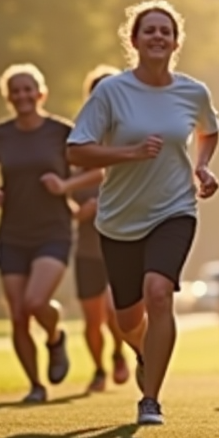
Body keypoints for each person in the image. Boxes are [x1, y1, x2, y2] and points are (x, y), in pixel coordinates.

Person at [67, 0, 219, 426]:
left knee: (159, 293)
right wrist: (127, 153)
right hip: (119, 219)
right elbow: (76, 149)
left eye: (164, 31)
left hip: (174, 209)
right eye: (148, 31)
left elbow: (210, 130)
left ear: (175, 42)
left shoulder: (193, 92)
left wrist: (202, 166)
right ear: (134, 41)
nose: (157, 37)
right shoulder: (111, 92)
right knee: (127, 319)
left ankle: (150, 397)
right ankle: (141, 351)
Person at [0, 63, 74, 403]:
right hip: (13, 232)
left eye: (28, 89)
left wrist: (66, 185)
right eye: (16, 91)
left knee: (35, 302)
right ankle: (35, 385)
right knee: (17, 316)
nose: (23, 95)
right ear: (9, 98)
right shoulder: (0, 135)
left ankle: (55, 337)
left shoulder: (61, 132)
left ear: (41, 93)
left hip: (53, 230)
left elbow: (97, 172)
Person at [67, 65, 131, 393]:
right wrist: (79, 211)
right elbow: (63, 193)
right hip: (88, 247)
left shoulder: (132, 135)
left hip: (122, 240)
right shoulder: (80, 141)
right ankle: (98, 369)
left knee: (114, 310)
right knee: (93, 319)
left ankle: (120, 352)